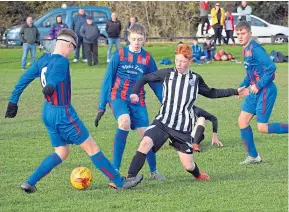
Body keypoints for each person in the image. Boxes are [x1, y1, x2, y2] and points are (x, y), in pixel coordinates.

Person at [4, 29, 143, 193]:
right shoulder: (62, 61)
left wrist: (13, 101)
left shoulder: (44, 60)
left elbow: (24, 79)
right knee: (92, 148)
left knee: (62, 152)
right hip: (63, 114)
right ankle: (120, 182)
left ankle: (30, 182)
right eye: (73, 48)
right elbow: (57, 75)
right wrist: (51, 85)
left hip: (47, 112)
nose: (72, 52)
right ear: (69, 45)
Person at [125, 44, 249, 186]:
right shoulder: (167, 74)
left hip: (182, 128)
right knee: (145, 142)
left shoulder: (195, 79)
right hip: (163, 121)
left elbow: (212, 93)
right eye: (177, 60)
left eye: (183, 61)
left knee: (189, 166)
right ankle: (130, 178)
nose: (179, 64)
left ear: (190, 61)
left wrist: (235, 91)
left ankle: (198, 175)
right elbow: (144, 78)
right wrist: (134, 92)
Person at [95, 23, 166, 188]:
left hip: (138, 100)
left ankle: (154, 171)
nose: (136, 42)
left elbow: (155, 82)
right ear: (128, 38)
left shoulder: (147, 58)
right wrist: (101, 106)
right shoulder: (119, 54)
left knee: (147, 135)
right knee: (124, 122)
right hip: (118, 97)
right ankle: (115, 170)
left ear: (144, 40)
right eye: (133, 39)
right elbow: (108, 79)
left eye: (140, 39)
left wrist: (166, 102)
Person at [236, 21, 288, 164]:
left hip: (265, 90)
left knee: (262, 128)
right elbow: (250, 73)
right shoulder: (245, 50)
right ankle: (253, 156)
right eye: (238, 34)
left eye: (243, 33)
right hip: (255, 90)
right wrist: (241, 86)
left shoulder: (255, 49)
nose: (240, 36)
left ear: (250, 34)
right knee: (242, 121)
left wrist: (258, 86)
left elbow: (271, 68)